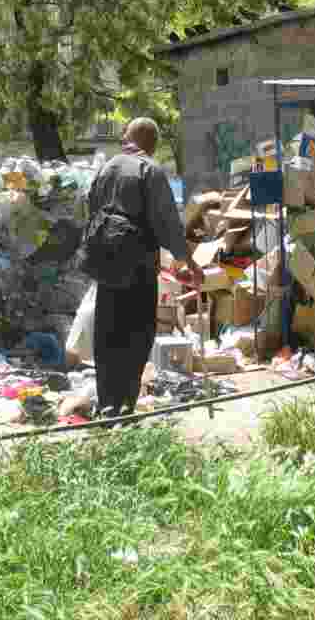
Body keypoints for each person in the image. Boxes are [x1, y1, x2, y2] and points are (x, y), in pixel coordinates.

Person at [87, 117, 204, 418]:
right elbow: (167, 223)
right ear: (152, 144)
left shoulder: (106, 167)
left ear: (129, 138)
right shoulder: (149, 171)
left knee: (107, 332)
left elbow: (90, 209)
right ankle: (126, 404)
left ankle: (107, 404)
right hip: (137, 266)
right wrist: (188, 262)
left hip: (105, 264)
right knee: (137, 332)